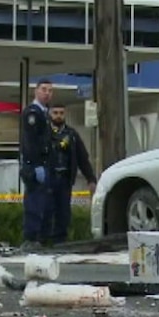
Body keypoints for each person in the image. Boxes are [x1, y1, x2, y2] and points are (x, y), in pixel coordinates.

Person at [44, 103, 98, 245]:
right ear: (50, 114)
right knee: (46, 211)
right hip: (47, 180)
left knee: (63, 213)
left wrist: (91, 179)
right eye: (55, 113)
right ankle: (43, 242)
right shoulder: (44, 133)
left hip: (64, 180)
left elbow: (82, 158)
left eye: (61, 113)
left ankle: (60, 242)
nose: (58, 116)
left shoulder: (72, 135)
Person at [19, 78, 54, 251]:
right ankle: (31, 238)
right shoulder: (33, 112)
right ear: (36, 91)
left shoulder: (44, 113)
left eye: (50, 90)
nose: (47, 93)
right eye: (44, 89)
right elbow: (31, 142)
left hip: (43, 165)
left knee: (44, 205)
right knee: (34, 204)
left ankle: (40, 239)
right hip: (34, 166)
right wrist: (35, 165)